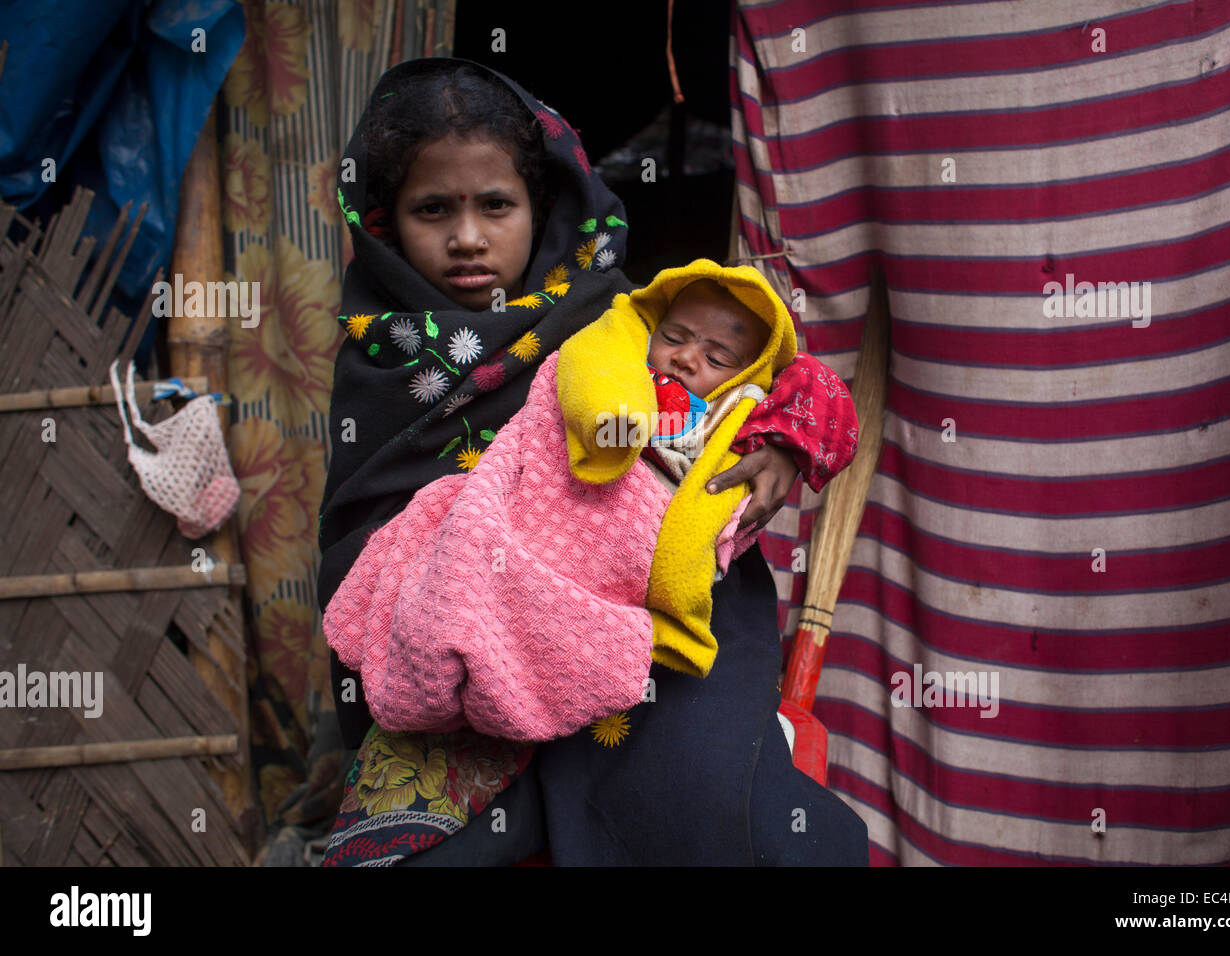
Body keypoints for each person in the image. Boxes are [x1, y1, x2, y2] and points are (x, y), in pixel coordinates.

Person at [317, 57, 869, 865]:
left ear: (540, 208)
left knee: (715, 811)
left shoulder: (622, 317)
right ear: (385, 220)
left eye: (495, 205)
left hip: (643, 630)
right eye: (432, 209)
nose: (467, 237)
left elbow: (794, 373)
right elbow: (361, 538)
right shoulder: (380, 362)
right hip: (462, 652)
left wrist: (785, 444)